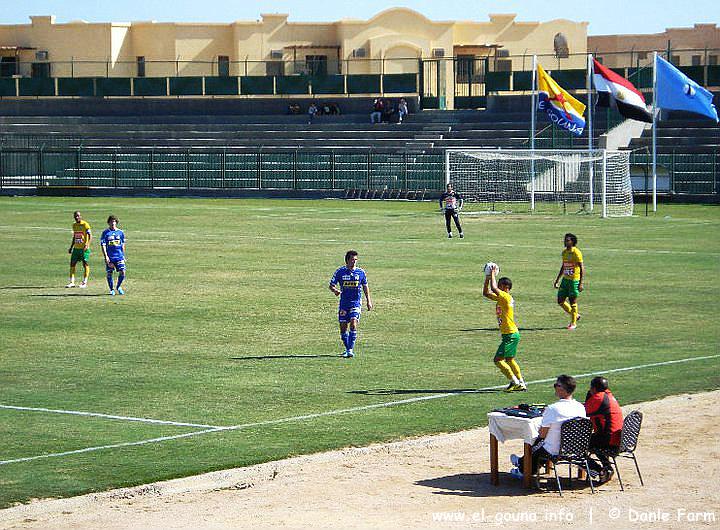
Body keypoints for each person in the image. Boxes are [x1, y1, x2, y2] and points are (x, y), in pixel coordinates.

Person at [510, 375, 587, 479]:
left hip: (554, 450)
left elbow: (542, 434)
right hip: (575, 448)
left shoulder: (552, 409)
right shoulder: (580, 407)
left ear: (561, 388)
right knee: (540, 444)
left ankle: (524, 470)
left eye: (556, 385)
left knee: (535, 442)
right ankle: (521, 462)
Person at [483, 266, 526, 392]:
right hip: (510, 334)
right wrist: (487, 278)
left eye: (500, 286)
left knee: (498, 360)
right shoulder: (501, 298)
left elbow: (493, 288)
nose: (498, 288)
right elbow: (486, 293)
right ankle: (521, 383)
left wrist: (492, 274)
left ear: (505, 287)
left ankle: (515, 382)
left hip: (510, 335)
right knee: (509, 360)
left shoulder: (506, 297)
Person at [328, 250, 373, 358]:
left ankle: (350, 350)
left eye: (356, 260)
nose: (354, 262)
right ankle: (348, 348)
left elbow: (365, 286)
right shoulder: (340, 272)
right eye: (352, 260)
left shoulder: (361, 272)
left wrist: (368, 301)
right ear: (347, 260)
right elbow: (331, 285)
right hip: (344, 304)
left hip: (356, 303)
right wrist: (335, 291)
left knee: (353, 323)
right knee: (343, 328)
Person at [584, 376, 623, 483]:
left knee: (576, 445)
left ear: (594, 389)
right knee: (590, 441)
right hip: (617, 438)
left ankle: (600, 470)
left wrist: (589, 397)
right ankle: (607, 467)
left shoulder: (599, 398)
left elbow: (583, 412)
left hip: (608, 440)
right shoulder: (608, 396)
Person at [553, 233, 585, 330]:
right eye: (565, 240)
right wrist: (557, 279)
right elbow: (563, 266)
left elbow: (582, 268)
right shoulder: (564, 253)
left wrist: (581, 282)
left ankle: (573, 323)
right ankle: (575, 315)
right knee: (560, 301)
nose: (565, 242)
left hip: (574, 281)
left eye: (567, 240)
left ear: (572, 242)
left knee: (572, 301)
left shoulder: (576, 253)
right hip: (565, 280)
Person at [100, 215, 127, 296]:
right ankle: (111, 289)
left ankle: (118, 287)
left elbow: (122, 244)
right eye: (111, 221)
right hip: (110, 257)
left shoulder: (121, 232)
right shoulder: (105, 233)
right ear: (108, 223)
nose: (113, 223)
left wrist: (123, 255)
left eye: (114, 221)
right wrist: (106, 257)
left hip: (119, 256)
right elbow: (103, 245)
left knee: (122, 272)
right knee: (109, 273)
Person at [66, 210, 92, 288]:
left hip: (84, 249)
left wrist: (87, 244)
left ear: (81, 216)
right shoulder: (74, 225)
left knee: (85, 264)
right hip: (76, 248)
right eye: (75, 216)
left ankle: (84, 282)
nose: (77, 217)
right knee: (72, 264)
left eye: (78, 216)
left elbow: (90, 235)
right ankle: (72, 282)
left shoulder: (85, 224)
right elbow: (75, 236)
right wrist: (71, 247)